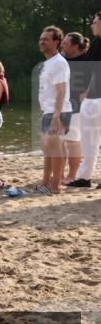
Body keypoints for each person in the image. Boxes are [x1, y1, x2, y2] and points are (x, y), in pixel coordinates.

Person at [37, 26, 72, 195]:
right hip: (49, 110)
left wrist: (56, 116)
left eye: (46, 39)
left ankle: (55, 186)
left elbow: (61, 90)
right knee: (46, 146)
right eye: (41, 39)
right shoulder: (49, 62)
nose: (42, 42)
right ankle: (46, 182)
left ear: (56, 42)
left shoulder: (58, 62)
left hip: (58, 111)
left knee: (54, 147)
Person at [71, 12, 101, 188]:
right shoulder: (96, 42)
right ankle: (84, 177)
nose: (92, 25)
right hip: (91, 99)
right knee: (89, 140)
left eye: (95, 22)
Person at [60, 32, 90, 184]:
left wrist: (86, 94)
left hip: (78, 107)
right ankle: (61, 174)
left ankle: (72, 175)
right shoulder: (62, 60)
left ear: (76, 46)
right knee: (62, 142)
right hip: (62, 105)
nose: (62, 46)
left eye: (65, 44)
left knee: (73, 142)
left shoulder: (88, 59)